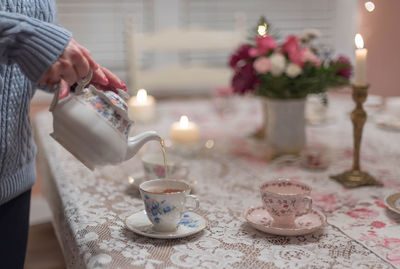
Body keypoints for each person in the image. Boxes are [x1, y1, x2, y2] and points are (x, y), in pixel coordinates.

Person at [0, 1, 127, 268]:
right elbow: (26, 38)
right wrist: (29, 38)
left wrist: (68, 72)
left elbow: (17, 67)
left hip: (13, 181)